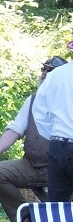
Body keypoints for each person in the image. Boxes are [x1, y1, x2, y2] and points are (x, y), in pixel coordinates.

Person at [0, 56, 65, 222]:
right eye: (43, 69)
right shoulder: (34, 100)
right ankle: (28, 219)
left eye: (49, 70)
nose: (43, 73)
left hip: (63, 168)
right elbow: (15, 130)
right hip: (31, 166)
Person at [31, 45, 73, 203]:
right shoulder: (56, 74)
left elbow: (40, 111)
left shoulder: (56, 75)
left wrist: (55, 135)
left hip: (58, 146)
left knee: (57, 205)